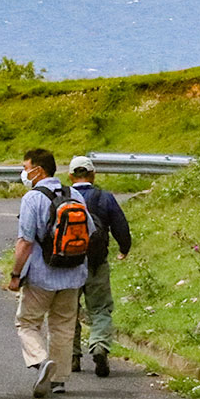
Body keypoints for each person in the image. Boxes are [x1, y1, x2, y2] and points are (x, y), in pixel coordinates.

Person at [7, 148, 95, 398]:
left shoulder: (32, 199)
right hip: (74, 273)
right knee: (63, 325)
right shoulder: (75, 194)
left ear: (38, 170)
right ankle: (58, 380)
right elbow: (90, 230)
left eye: (26, 168)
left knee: (27, 323)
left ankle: (40, 360)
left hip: (41, 276)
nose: (24, 173)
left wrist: (15, 274)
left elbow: (25, 241)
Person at [67, 155, 132, 377]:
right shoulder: (104, 197)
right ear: (93, 175)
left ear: (70, 176)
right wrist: (124, 248)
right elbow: (120, 226)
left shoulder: (64, 198)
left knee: (68, 311)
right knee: (101, 308)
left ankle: (72, 356)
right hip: (96, 263)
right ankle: (99, 347)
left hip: (67, 265)